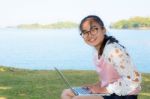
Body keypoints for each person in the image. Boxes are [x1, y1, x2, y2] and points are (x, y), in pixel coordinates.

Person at [61, 15, 141, 99]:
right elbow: (110, 79)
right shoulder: (96, 51)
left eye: (94, 29)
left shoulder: (114, 51)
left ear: (103, 30)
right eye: (85, 32)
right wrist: (94, 86)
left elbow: (134, 80)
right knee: (66, 93)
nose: (90, 35)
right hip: (109, 92)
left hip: (125, 95)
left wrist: (104, 89)